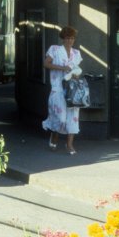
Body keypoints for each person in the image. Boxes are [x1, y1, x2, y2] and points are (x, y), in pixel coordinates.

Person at [42, 25, 82, 155]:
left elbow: (76, 70)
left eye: (72, 38)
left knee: (73, 118)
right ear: (63, 39)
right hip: (58, 88)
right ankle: (54, 136)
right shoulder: (54, 49)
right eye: (67, 38)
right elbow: (46, 64)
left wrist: (76, 73)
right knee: (61, 118)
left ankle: (69, 145)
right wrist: (62, 68)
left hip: (72, 90)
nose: (70, 40)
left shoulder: (76, 53)